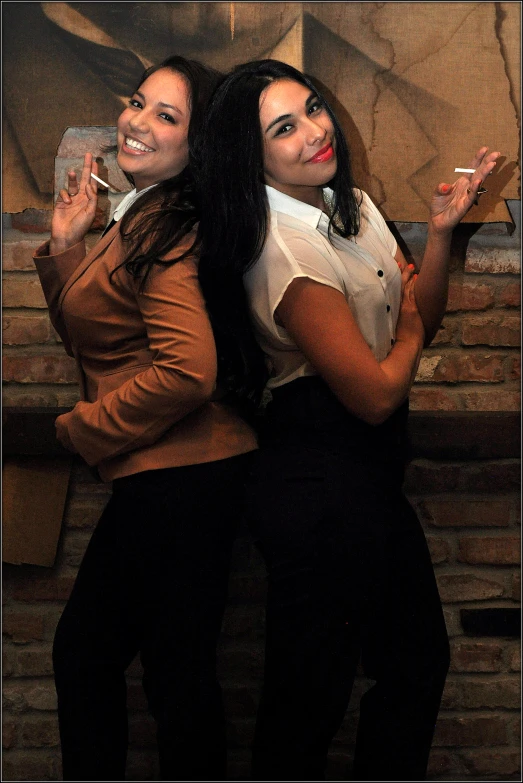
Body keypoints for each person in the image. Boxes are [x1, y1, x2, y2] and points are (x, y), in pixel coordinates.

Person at [194, 59, 500, 781]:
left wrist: (439, 234)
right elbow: (372, 394)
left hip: (364, 474)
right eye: (284, 127)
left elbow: (420, 310)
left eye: (313, 108)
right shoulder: (283, 248)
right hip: (316, 474)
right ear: (253, 155)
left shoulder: (351, 204)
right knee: (309, 698)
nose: (314, 131)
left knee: (416, 661)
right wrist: (411, 338)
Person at [33, 55, 260, 782]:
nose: (135, 121)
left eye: (167, 116)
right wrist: (69, 245)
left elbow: (187, 371)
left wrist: (84, 429)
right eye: (137, 102)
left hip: (182, 479)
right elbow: (96, 337)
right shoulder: (142, 217)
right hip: (186, 478)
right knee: (174, 669)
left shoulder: (170, 228)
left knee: (97, 655)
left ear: (200, 147)